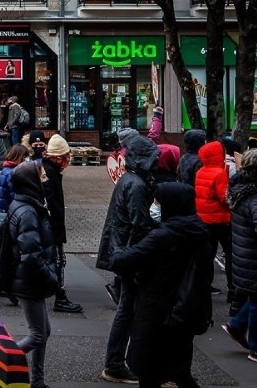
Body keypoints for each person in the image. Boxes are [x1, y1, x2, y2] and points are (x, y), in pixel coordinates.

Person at [110, 182, 212, 387]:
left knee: (147, 368)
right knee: (179, 369)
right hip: (185, 310)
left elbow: (122, 260)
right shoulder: (199, 231)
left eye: (158, 202)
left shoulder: (163, 236)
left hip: (156, 309)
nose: (154, 206)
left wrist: (118, 249)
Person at [97, 135, 160, 384]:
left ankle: (119, 361)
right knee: (127, 309)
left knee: (128, 308)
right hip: (128, 254)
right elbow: (140, 223)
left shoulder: (131, 180)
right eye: (153, 158)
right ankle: (115, 362)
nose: (156, 162)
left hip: (123, 251)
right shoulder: (135, 185)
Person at [4, 161, 59, 388]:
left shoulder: (30, 205)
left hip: (31, 280)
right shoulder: (27, 212)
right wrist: (51, 277)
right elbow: (30, 256)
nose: (46, 180)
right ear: (31, 183)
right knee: (37, 334)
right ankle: (1, 361)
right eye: (43, 177)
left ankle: (38, 381)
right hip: (30, 281)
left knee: (43, 331)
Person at [40, 134, 83, 314]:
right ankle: (60, 296)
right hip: (52, 225)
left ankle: (56, 293)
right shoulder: (50, 172)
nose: (68, 160)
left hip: (51, 224)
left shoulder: (50, 170)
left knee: (54, 259)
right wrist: (57, 221)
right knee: (57, 260)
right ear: (58, 157)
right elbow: (51, 201)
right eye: (65, 156)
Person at [223, 148, 257, 363]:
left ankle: (236, 326)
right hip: (253, 256)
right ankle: (255, 346)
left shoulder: (239, 188)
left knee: (255, 296)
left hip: (244, 254)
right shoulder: (254, 195)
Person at [194, 140, 233, 299]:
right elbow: (225, 198)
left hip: (204, 219)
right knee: (230, 253)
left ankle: (204, 286)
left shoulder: (200, 171)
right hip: (221, 220)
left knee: (207, 254)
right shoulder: (219, 173)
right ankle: (233, 289)